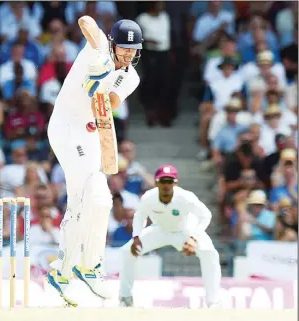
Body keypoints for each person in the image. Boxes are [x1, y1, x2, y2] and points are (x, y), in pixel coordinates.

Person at [45, 15, 142, 307]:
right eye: (123, 49)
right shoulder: (100, 46)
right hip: (65, 126)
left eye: (133, 50)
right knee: (97, 193)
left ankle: (62, 272)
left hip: (88, 134)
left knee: (87, 202)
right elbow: (85, 20)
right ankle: (89, 267)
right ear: (112, 44)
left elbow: (106, 105)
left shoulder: (131, 77)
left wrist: (99, 83)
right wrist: (99, 53)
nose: (127, 54)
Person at [118, 164, 221, 308]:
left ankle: (213, 302)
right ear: (156, 182)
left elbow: (205, 215)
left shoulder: (185, 197)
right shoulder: (149, 197)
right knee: (126, 251)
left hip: (185, 230)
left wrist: (194, 237)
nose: (166, 185)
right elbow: (140, 216)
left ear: (175, 183)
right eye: (163, 181)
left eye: (170, 181)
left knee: (210, 254)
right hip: (160, 230)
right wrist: (136, 238)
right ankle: (125, 298)